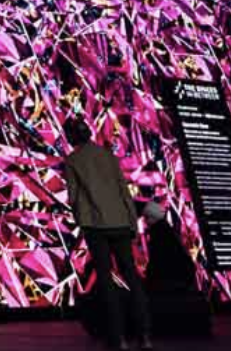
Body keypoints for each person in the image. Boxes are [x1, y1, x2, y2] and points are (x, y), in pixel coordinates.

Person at [64, 117, 150, 351]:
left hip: (95, 226)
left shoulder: (72, 161)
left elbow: (72, 197)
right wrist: (132, 223)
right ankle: (144, 335)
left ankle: (118, 338)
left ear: (71, 136)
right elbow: (123, 189)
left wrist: (80, 217)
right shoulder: (107, 155)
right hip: (121, 222)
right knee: (132, 277)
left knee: (106, 281)